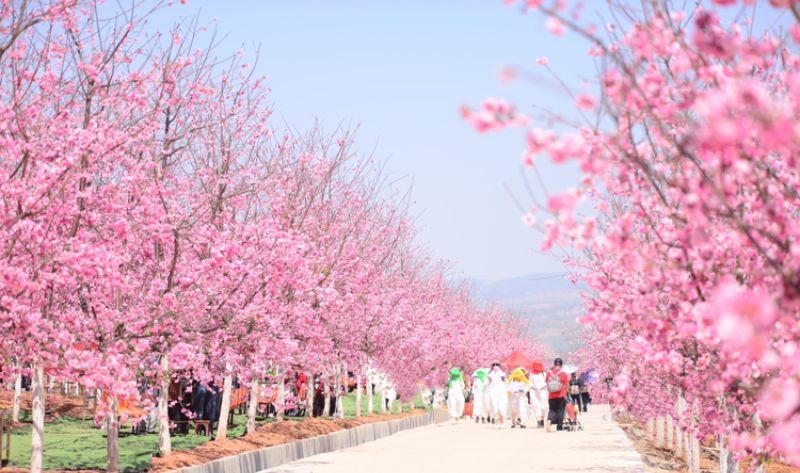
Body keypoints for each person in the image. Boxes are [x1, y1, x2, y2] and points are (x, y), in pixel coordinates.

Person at [545, 358, 569, 432]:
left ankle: (549, 420)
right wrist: (567, 391)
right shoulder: (564, 374)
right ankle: (559, 426)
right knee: (560, 410)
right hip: (560, 395)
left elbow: (546, 382)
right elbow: (567, 385)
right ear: (561, 365)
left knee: (552, 410)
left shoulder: (549, 373)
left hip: (551, 396)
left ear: (554, 364)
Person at [528, 361, 548, 428]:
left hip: (543, 392)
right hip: (534, 393)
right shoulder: (531, 374)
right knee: (536, 406)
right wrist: (532, 389)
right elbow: (530, 383)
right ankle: (539, 421)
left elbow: (546, 382)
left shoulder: (544, 373)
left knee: (543, 407)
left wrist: (542, 387)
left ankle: (542, 420)